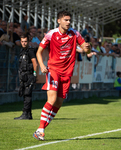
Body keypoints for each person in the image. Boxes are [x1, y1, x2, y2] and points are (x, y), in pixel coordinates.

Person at [33, 10, 96, 140]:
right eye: (66, 20)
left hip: (67, 73)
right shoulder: (51, 34)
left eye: (69, 20)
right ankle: (40, 129)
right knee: (52, 99)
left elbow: (85, 47)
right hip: (54, 70)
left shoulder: (74, 33)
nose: (68, 22)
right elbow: (39, 52)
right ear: (59, 21)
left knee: (59, 103)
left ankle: (41, 129)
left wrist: (88, 49)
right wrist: (42, 66)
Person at [14, 34, 38, 120]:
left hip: (29, 75)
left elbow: (35, 63)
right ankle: (28, 114)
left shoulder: (30, 51)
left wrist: (34, 75)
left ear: (28, 42)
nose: (24, 43)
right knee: (24, 94)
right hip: (23, 76)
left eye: (25, 41)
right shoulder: (22, 51)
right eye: (22, 41)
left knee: (27, 94)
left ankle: (25, 114)